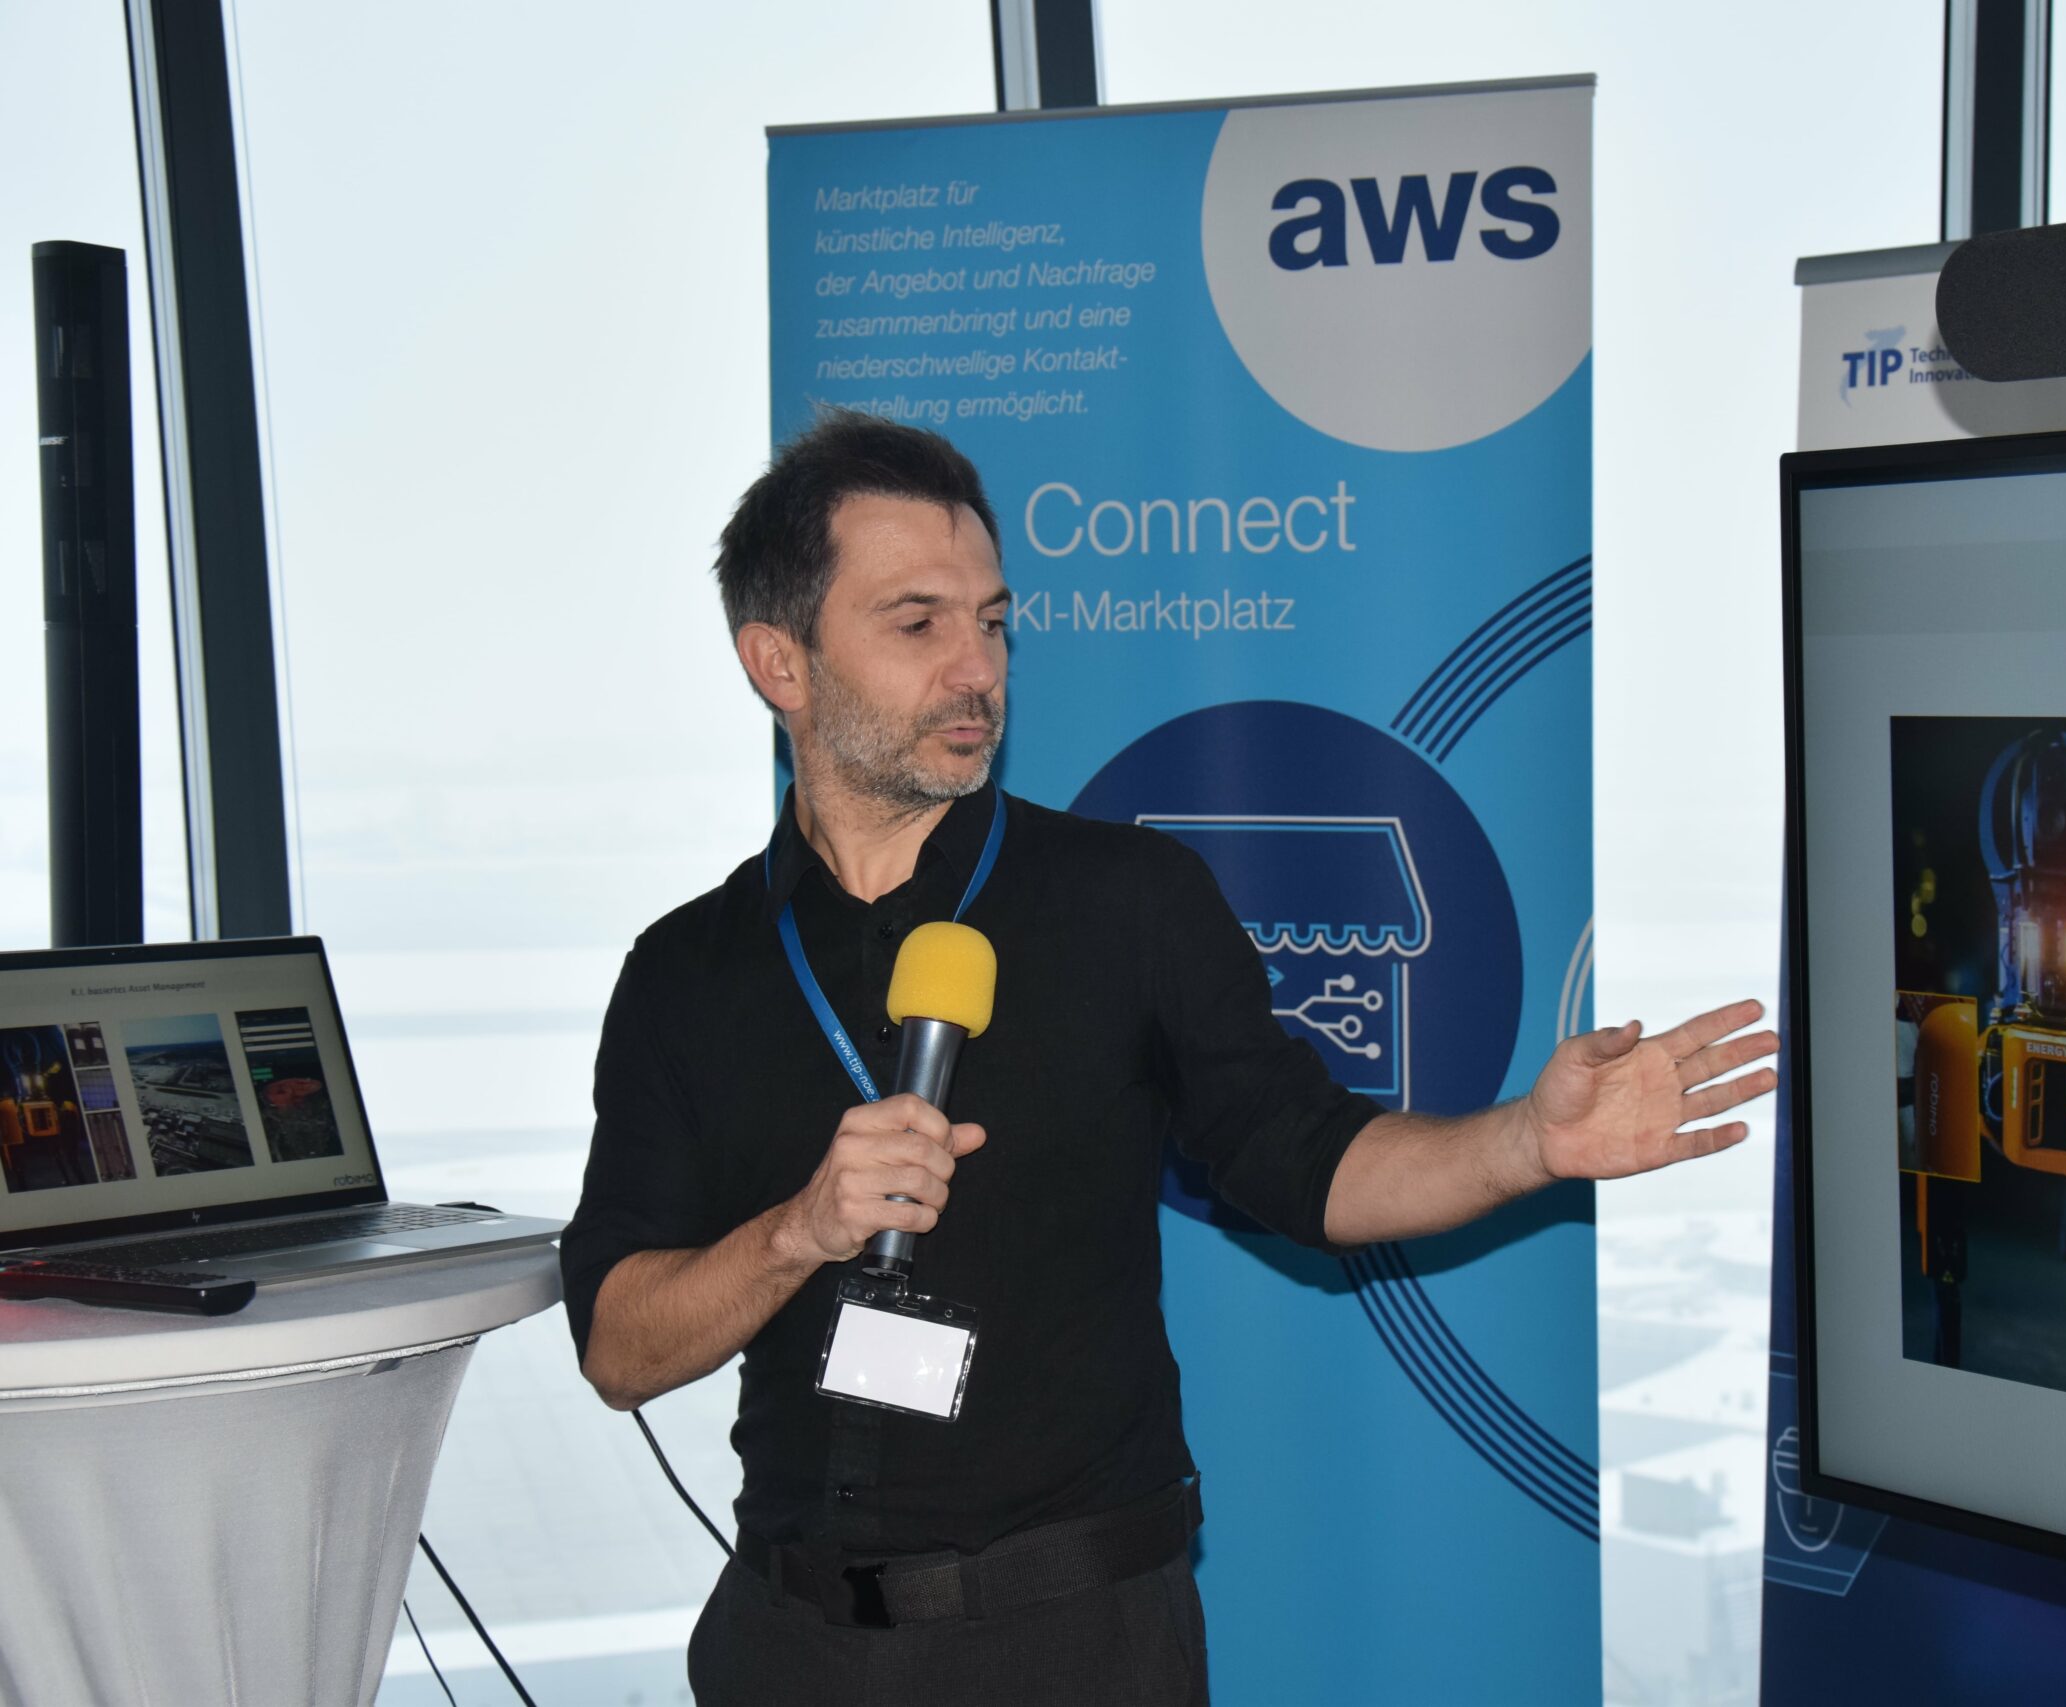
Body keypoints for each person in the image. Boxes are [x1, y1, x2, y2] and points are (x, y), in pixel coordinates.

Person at [561, 410, 1777, 1706]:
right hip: (786, 1652)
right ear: (779, 662)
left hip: (1077, 1645)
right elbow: (619, 1347)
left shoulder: (1127, 901)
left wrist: (1529, 1140)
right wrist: (800, 1231)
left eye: (993, 622)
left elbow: (1308, 1162)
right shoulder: (685, 972)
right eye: (919, 625)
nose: (976, 669)